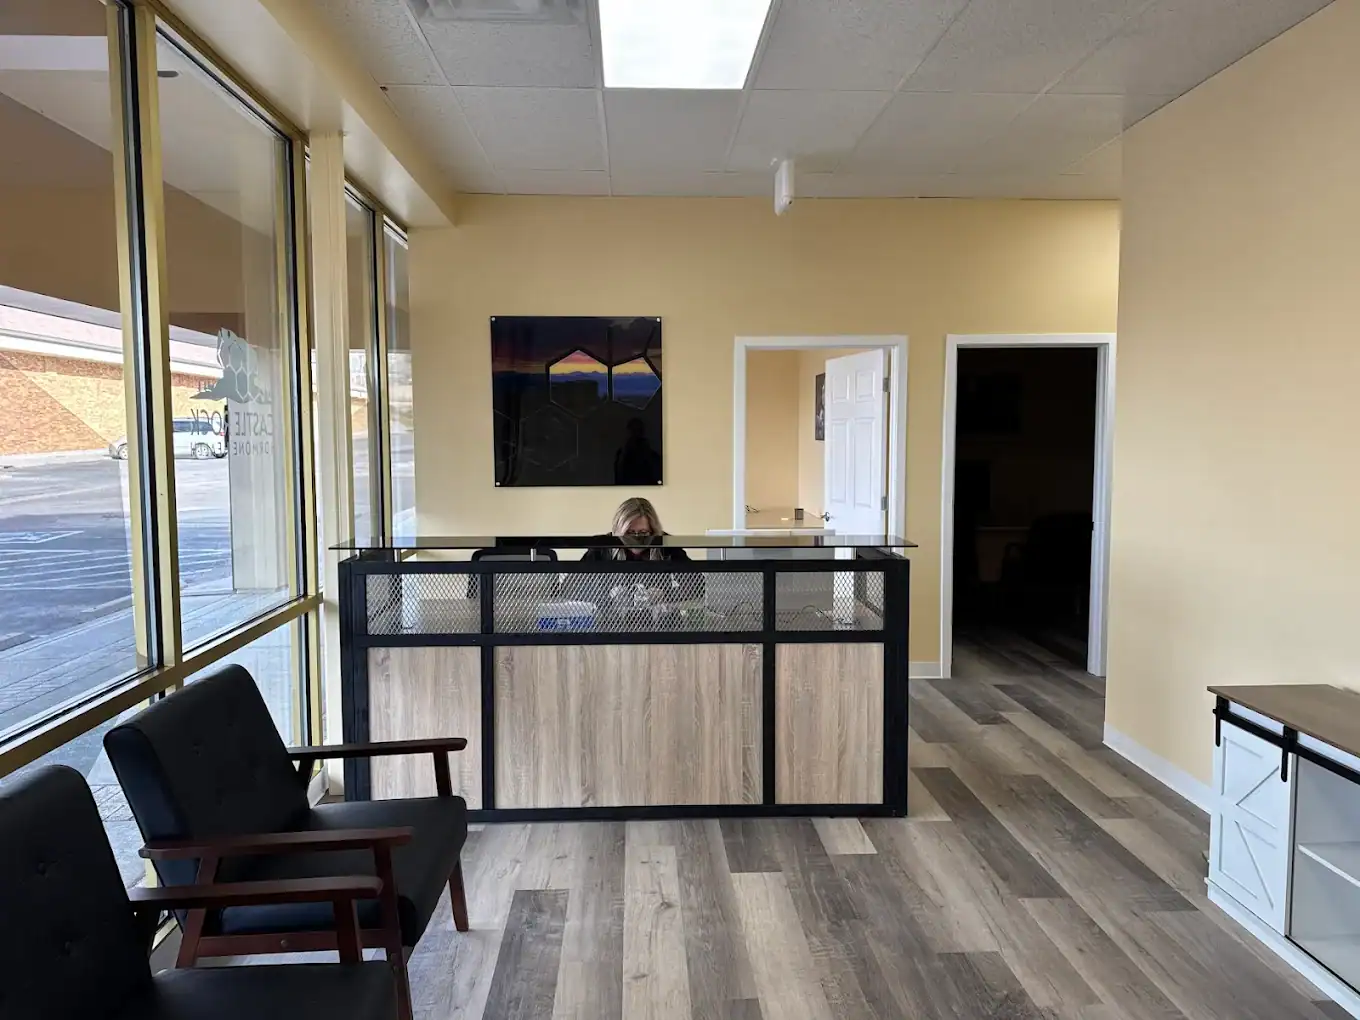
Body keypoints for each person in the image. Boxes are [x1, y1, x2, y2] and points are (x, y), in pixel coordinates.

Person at [578, 497, 702, 603]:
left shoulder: (665, 545)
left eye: (643, 533)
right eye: (629, 533)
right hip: (611, 622)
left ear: (653, 531)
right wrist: (608, 596)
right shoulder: (602, 547)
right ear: (618, 531)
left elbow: (697, 585)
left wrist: (665, 595)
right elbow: (573, 586)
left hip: (658, 623)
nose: (636, 539)